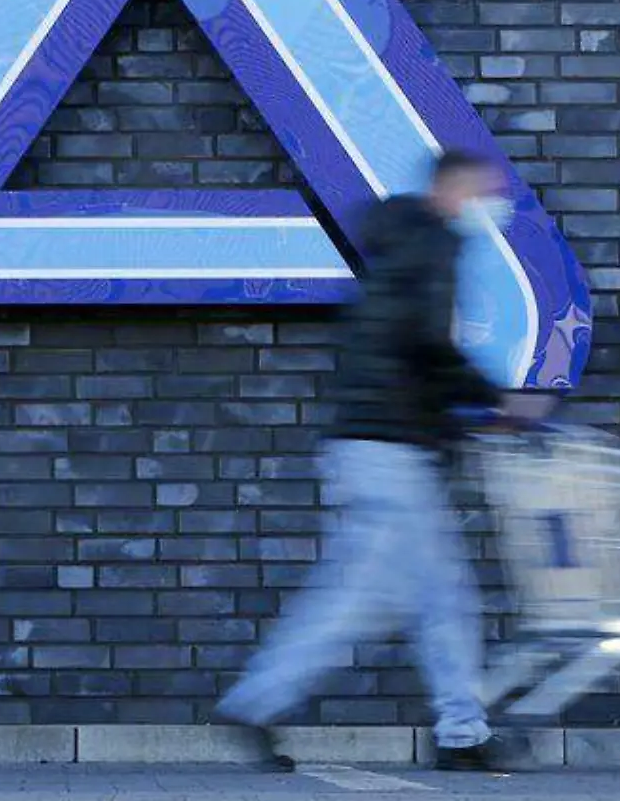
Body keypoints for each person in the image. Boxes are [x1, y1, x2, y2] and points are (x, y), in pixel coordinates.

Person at [215, 149, 509, 773]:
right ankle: (260, 699)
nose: (488, 207)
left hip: (377, 447)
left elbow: (403, 348)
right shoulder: (434, 247)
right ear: (453, 189)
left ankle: (463, 732)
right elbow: (426, 343)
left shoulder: (400, 248)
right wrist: (492, 399)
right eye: (483, 193)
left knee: (439, 596)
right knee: (359, 597)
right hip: (391, 453)